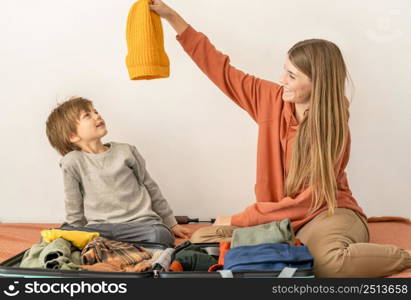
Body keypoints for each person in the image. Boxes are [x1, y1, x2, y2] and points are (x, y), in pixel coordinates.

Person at [149, 0, 411, 277]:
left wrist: (241, 218)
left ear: (317, 83)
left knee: (327, 263)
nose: (281, 78)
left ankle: (404, 257)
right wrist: (173, 18)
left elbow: (309, 201)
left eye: (292, 75)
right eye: (284, 70)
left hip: (325, 213)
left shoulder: (332, 127)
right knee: (202, 238)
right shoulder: (269, 98)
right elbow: (220, 69)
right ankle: (288, 243)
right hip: (281, 220)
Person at [45, 96, 189, 247]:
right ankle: (109, 244)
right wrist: (74, 233)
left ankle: (111, 245)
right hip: (101, 228)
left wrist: (171, 223)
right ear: (72, 136)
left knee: (161, 235)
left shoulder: (126, 151)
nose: (97, 115)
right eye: (87, 115)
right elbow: (73, 203)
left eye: (95, 111)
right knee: (57, 238)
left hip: (139, 223)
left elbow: (150, 187)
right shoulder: (71, 162)